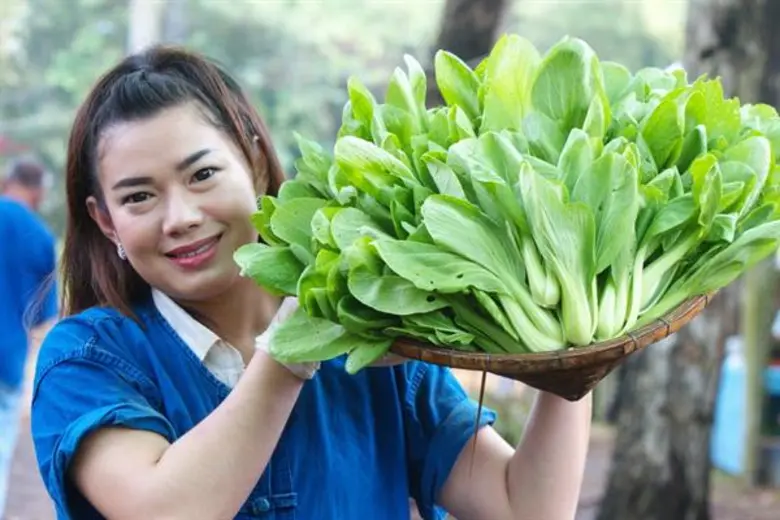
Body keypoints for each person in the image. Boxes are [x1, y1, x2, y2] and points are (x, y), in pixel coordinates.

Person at [30, 44, 592, 520]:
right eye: (138, 197)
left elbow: (526, 505)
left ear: (252, 162)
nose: (179, 217)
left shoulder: (377, 339)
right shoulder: (89, 359)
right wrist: (295, 349)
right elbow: (168, 509)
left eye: (202, 175)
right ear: (106, 221)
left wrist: (574, 351)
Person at [0, 158, 59, 517]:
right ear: (38, 191)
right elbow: (43, 317)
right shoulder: (40, 236)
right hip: (6, 362)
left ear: (9, 181)